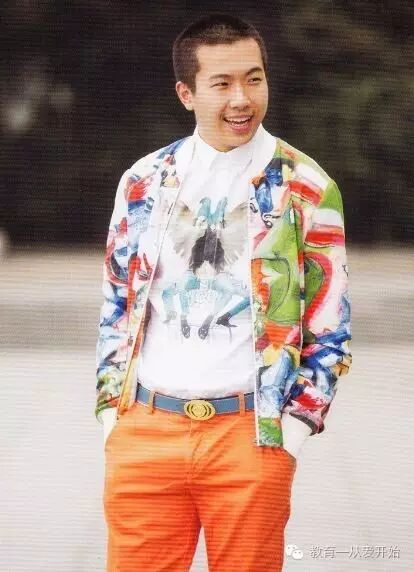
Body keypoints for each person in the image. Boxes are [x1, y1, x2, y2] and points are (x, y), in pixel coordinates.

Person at [95, 13, 352, 572]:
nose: (242, 98)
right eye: (222, 83)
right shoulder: (143, 182)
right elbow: (117, 305)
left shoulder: (307, 187)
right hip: (146, 431)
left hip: (250, 435)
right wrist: (114, 416)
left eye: (254, 79)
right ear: (186, 93)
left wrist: (291, 433)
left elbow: (330, 327)